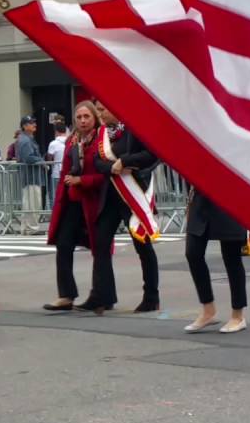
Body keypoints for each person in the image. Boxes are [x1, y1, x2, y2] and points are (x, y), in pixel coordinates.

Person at [81, 101, 163, 314]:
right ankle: (103, 295)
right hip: (111, 194)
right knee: (100, 243)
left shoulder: (135, 128)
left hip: (133, 193)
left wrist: (124, 161)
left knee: (142, 244)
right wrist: (113, 168)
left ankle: (151, 296)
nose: (100, 114)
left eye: (102, 110)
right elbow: (98, 161)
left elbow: (152, 155)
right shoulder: (104, 134)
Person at [43, 102, 106, 311]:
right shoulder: (72, 141)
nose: (83, 121)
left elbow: (105, 174)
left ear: (94, 117)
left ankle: (104, 295)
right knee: (64, 244)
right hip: (72, 200)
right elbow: (65, 174)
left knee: (100, 249)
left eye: (87, 116)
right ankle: (66, 295)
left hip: (95, 200)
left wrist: (83, 181)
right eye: (79, 117)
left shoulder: (102, 139)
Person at [183, 188, 249, 333]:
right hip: (201, 198)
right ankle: (208, 310)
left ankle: (238, 316)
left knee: (232, 258)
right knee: (192, 253)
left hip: (229, 197)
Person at [45, 122, 68, 210]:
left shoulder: (53, 143)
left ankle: (54, 213)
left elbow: (49, 158)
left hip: (56, 173)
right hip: (67, 172)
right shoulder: (70, 141)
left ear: (56, 131)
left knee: (54, 195)